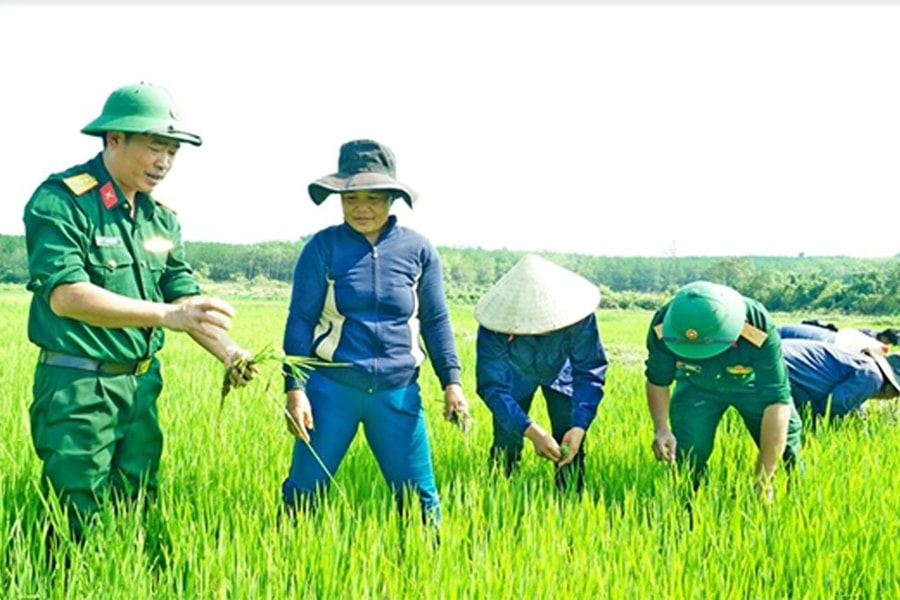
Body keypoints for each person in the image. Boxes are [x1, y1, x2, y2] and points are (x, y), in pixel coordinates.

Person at [22, 82, 256, 544]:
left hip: (141, 385)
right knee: (76, 509)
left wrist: (229, 352)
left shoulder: (161, 218)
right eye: (154, 147)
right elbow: (67, 295)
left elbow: (182, 296)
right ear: (114, 139)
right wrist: (166, 316)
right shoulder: (62, 201)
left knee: (136, 502)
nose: (164, 163)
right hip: (79, 384)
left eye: (172, 151)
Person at [281, 139, 469, 526]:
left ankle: (428, 574)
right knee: (303, 491)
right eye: (351, 198)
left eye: (373, 197)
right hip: (332, 390)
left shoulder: (418, 250)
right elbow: (300, 319)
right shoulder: (323, 248)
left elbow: (435, 320)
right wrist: (295, 389)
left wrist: (452, 382)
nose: (361, 208)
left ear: (392, 199)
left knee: (420, 499)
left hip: (397, 394)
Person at [644, 281, 802, 498]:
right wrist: (660, 428)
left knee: (786, 451)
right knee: (688, 451)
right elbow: (658, 380)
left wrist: (763, 481)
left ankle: (791, 502)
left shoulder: (756, 323)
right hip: (696, 384)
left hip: (752, 385)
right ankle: (688, 506)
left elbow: (777, 400)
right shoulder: (665, 324)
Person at [474, 254, 608, 493]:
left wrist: (580, 425)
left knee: (569, 437)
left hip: (561, 370)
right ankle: (499, 496)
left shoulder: (577, 317)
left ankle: (569, 502)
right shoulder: (495, 326)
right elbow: (493, 386)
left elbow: (589, 370)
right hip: (515, 372)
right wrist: (531, 431)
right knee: (506, 438)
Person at [781, 338, 900, 419]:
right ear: (891, 388)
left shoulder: (867, 365)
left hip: (777, 355)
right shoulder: (873, 378)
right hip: (782, 368)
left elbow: (851, 402)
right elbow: (834, 406)